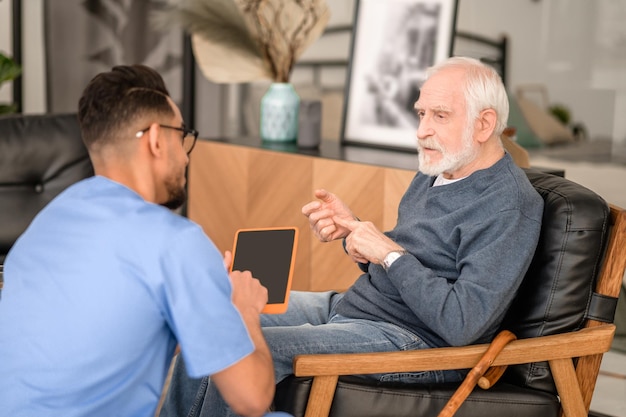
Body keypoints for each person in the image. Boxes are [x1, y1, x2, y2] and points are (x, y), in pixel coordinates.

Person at [159, 56, 545, 417]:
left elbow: (463, 323)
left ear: (484, 124)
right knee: (214, 315)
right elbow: (411, 259)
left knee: (239, 348)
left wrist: (388, 253)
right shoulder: (439, 169)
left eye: (440, 116)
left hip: (414, 342)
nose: (422, 130)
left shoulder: (509, 205)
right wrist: (354, 233)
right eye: (421, 114)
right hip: (355, 307)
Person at [0, 65, 290, 417]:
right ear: (155, 139)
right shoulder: (175, 242)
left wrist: (200, 305)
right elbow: (252, 399)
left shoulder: (42, 228)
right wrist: (242, 310)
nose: (185, 156)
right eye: (182, 136)